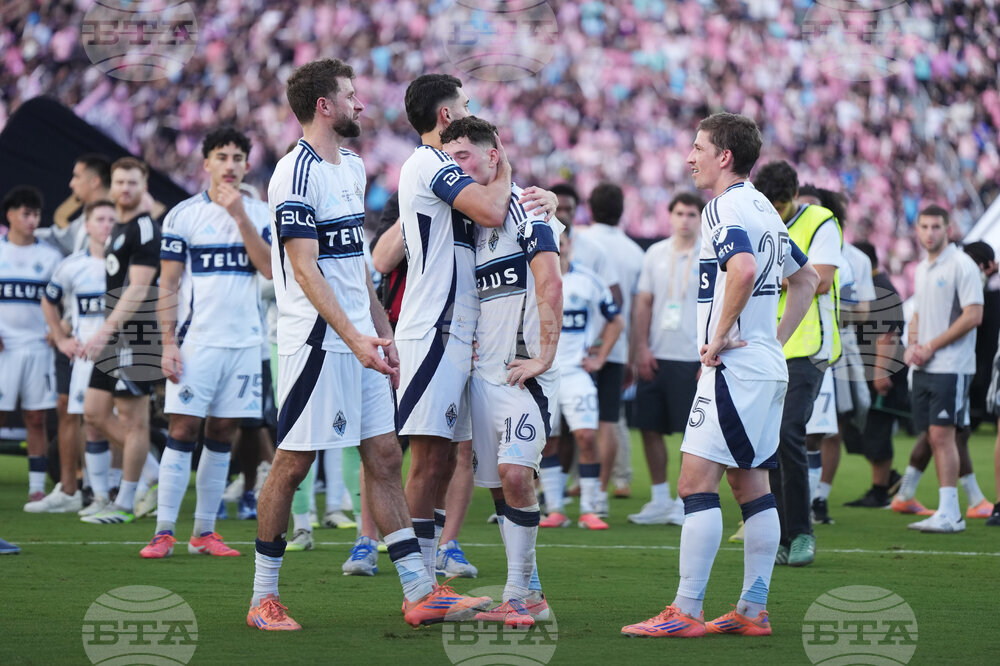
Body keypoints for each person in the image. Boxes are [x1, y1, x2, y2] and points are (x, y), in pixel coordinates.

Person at [246, 58, 488, 631]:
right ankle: (263, 598)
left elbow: (355, 264)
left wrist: (380, 326)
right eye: (350, 96)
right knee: (292, 464)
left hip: (360, 336)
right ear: (324, 106)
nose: (361, 104)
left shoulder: (351, 166)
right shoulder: (294, 174)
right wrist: (353, 335)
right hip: (316, 341)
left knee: (383, 457)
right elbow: (304, 268)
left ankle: (418, 591)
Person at [622, 112, 818, 638]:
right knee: (750, 484)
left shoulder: (724, 206)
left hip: (736, 369)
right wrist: (772, 342)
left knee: (694, 482)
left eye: (698, 147)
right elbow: (808, 279)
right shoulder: (764, 209)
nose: (690, 157)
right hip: (763, 368)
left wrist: (723, 335)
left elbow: (745, 270)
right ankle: (753, 610)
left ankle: (686, 611)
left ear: (723, 156)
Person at [394, 73, 554, 584]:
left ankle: (515, 583)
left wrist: (539, 197)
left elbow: (546, 272)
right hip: (435, 329)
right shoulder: (431, 166)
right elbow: (487, 208)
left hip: (473, 347)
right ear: (446, 117)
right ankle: (420, 585)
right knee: (426, 460)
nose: (468, 107)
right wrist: (503, 169)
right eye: (463, 104)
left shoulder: (489, 204)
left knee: (455, 463)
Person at [441, 116, 562, 627]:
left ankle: (518, 597)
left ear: (495, 156)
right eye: (449, 158)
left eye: (465, 155)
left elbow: (550, 278)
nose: (456, 166)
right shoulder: (467, 219)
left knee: (515, 474)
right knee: (500, 485)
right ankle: (530, 592)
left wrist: (545, 356)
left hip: (522, 376)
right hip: (481, 377)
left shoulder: (527, 209)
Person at [138, 127, 272, 559]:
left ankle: (204, 532)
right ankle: (163, 531)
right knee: (182, 428)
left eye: (237, 157)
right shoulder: (182, 215)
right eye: (222, 156)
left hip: (246, 343)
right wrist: (167, 344)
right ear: (207, 164)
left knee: (223, 430)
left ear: (247, 166)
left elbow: (269, 269)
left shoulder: (262, 213)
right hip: (197, 342)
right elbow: (168, 284)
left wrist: (240, 217)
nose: (230, 165)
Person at [752, 160, 842, 566]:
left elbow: (820, 279)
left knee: (789, 432)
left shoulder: (821, 220)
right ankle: (783, 535)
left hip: (810, 347)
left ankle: (802, 533)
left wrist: (773, 276)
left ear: (793, 197)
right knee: (768, 440)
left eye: (781, 204)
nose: (775, 211)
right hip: (768, 346)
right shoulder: (758, 218)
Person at [79, 157, 164, 524]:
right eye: (120, 182)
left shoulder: (145, 228)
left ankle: (125, 502)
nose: (125, 189)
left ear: (144, 187)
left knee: (133, 421)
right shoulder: (118, 227)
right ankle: (152, 472)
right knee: (94, 412)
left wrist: (105, 329)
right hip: (116, 332)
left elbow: (139, 287)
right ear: (110, 187)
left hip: (136, 333)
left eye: (133, 182)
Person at [27, 200, 115, 513]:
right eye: (100, 219)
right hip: (86, 358)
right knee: (92, 424)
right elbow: (48, 302)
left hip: (123, 353)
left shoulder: (130, 264)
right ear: (87, 226)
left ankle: (135, 487)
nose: (106, 224)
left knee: (122, 423)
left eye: (111, 219)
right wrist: (62, 339)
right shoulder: (72, 265)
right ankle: (101, 496)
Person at [901, 206, 984, 533]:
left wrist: (930, 346)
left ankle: (951, 513)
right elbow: (919, 314)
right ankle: (948, 510)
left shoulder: (962, 265)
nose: (930, 232)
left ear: (948, 229)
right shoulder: (922, 268)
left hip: (953, 366)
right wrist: (912, 345)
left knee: (942, 435)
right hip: (926, 365)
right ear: (917, 230)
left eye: (937, 226)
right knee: (934, 436)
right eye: (925, 226)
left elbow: (973, 315)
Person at [538, 224, 623, 530]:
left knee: (586, 436)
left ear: (569, 243)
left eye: (561, 242)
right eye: (552, 243)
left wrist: (599, 355)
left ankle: (590, 509)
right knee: (548, 441)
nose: (558, 248)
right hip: (542, 373)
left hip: (575, 373)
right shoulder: (531, 276)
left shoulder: (588, 280)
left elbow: (616, 320)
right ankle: (556, 510)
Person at [627, 192, 704, 526]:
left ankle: (685, 499)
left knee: (694, 434)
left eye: (691, 214)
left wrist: (709, 354)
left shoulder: (710, 255)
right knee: (649, 426)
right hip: (657, 354)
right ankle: (660, 498)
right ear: (669, 216)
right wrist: (641, 349)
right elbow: (643, 303)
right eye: (679, 213)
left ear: (700, 219)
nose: (685, 220)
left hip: (693, 357)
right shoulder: (656, 253)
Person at [572, 183, 645, 515]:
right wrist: (631, 352)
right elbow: (631, 307)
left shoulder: (579, 241)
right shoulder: (635, 252)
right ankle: (602, 488)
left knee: (569, 416)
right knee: (608, 419)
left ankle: (569, 484)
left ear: (589, 205)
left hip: (577, 346)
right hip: (616, 346)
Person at [0, 186, 61, 502]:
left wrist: (59, 328)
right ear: (10, 215)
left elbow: (63, 301)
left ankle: (37, 488)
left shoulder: (50, 258)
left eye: (36, 214)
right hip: (3, 348)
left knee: (36, 417)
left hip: (38, 346)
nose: (32, 220)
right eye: (26, 213)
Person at [842, 241, 906, 508]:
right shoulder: (873, 285)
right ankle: (888, 479)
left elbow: (888, 333)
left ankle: (881, 489)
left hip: (882, 370)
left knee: (877, 429)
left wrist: (880, 372)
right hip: (867, 368)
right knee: (859, 431)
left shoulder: (880, 288)